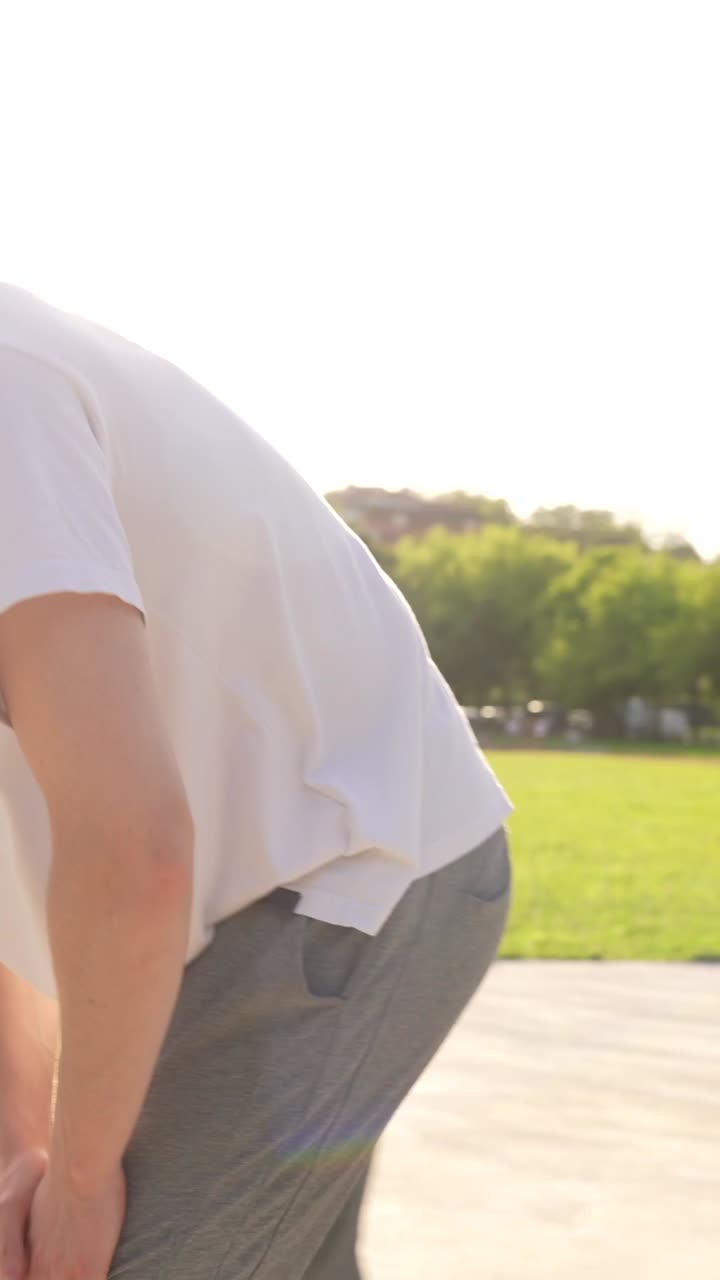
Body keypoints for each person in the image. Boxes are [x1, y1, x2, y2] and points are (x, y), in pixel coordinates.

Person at [0, 283, 513, 1280]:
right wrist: (27, 1147)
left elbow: (134, 846)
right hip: (230, 904)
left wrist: (84, 1175)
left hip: (349, 871)